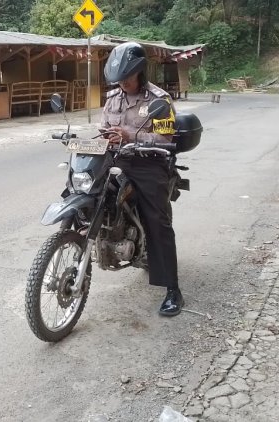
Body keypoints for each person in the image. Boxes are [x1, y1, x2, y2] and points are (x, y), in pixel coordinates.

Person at [99, 42, 183, 316]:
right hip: (119, 157)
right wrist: (106, 137)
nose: (123, 83)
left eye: (127, 77)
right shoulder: (112, 98)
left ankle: (173, 290)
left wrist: (130, 135)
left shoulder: (158, 100)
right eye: (119, 79)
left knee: (157, 221)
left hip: (150, 161)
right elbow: (103, 129)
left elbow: (166, 138)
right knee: (86, 188)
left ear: (139, 73)